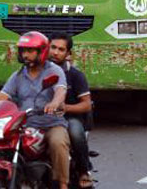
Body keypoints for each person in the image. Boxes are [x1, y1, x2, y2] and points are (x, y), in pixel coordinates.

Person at [0, 31, 70, 189]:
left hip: (51, 124)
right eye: (23, 51)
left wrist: (54, 103)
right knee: (7, 143)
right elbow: (3, 95)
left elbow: (60, 91)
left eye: (30, 51)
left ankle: (63, 184)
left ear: (41, 52)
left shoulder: (54, 71)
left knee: (57, 142)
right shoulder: (17, 76)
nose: (26, 55)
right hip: (26, 124)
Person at [49, 32, 94, 189]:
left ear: (68, 53)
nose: (55, 52)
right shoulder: (36, 71)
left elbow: (86, 105)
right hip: (43, 118)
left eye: (61, 49)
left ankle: (84, 170)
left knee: (75, 132)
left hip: (69, 118)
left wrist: (65, 107)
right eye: (53, 47)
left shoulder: (75, 75)